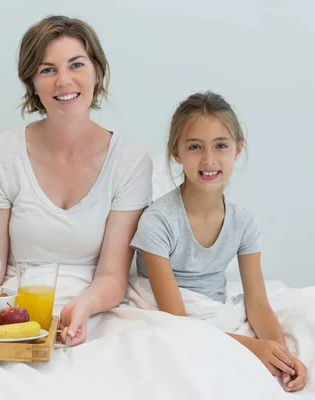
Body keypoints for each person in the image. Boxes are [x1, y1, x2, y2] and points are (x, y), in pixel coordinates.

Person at [0, 14, 152, 346]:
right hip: (13, 312)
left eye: (76, 65)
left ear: (97, 71)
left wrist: (83, 307)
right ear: (32, 83)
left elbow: (112, 276)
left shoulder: (130, 161)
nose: (63, 81)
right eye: (47, 70)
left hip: (94, 311)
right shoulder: (2, 153)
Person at [130, 91, 307, 392]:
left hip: (215, 312)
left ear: (237, 150)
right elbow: (177, 320)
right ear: (176, 153)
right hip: (173, 319)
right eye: (195, 147)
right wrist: (252, 348)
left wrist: (280, 354)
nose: (209, 160)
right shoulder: (158, 221)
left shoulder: (244, 223)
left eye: (221, 146)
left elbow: (258, 302)